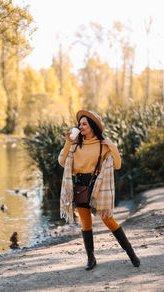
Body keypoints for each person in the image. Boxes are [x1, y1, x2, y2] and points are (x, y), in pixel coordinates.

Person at [58, 110, 140, 270]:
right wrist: (68, 141)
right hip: (81, 186)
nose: (80, 127)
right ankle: (91, 258)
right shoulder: (75, 145)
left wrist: (112, 146)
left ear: (92, 126)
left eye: (84, 124)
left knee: (108, 220)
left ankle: (131, 253)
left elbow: (117, 165)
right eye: (79, 124)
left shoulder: (103, 146)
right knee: (86, 223)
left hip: (98, 187)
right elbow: (62, 161)